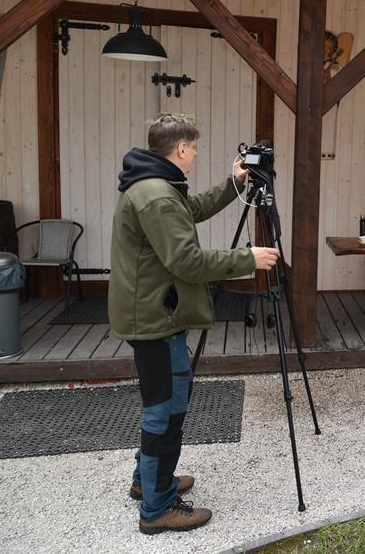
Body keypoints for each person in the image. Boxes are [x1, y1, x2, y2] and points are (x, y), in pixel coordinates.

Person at [108, 114, 279, 535]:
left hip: (153, 313)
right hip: (155, 318)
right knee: (164, 412)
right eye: (195, 147)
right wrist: (247, 258)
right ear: (181, 148)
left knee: (164, 404)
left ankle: (148, 481)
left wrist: (234, 183)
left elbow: (192, 209)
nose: (196, 154)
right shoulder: (158, 196)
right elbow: (185, 261)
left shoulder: (156, 185)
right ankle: (157, 508)